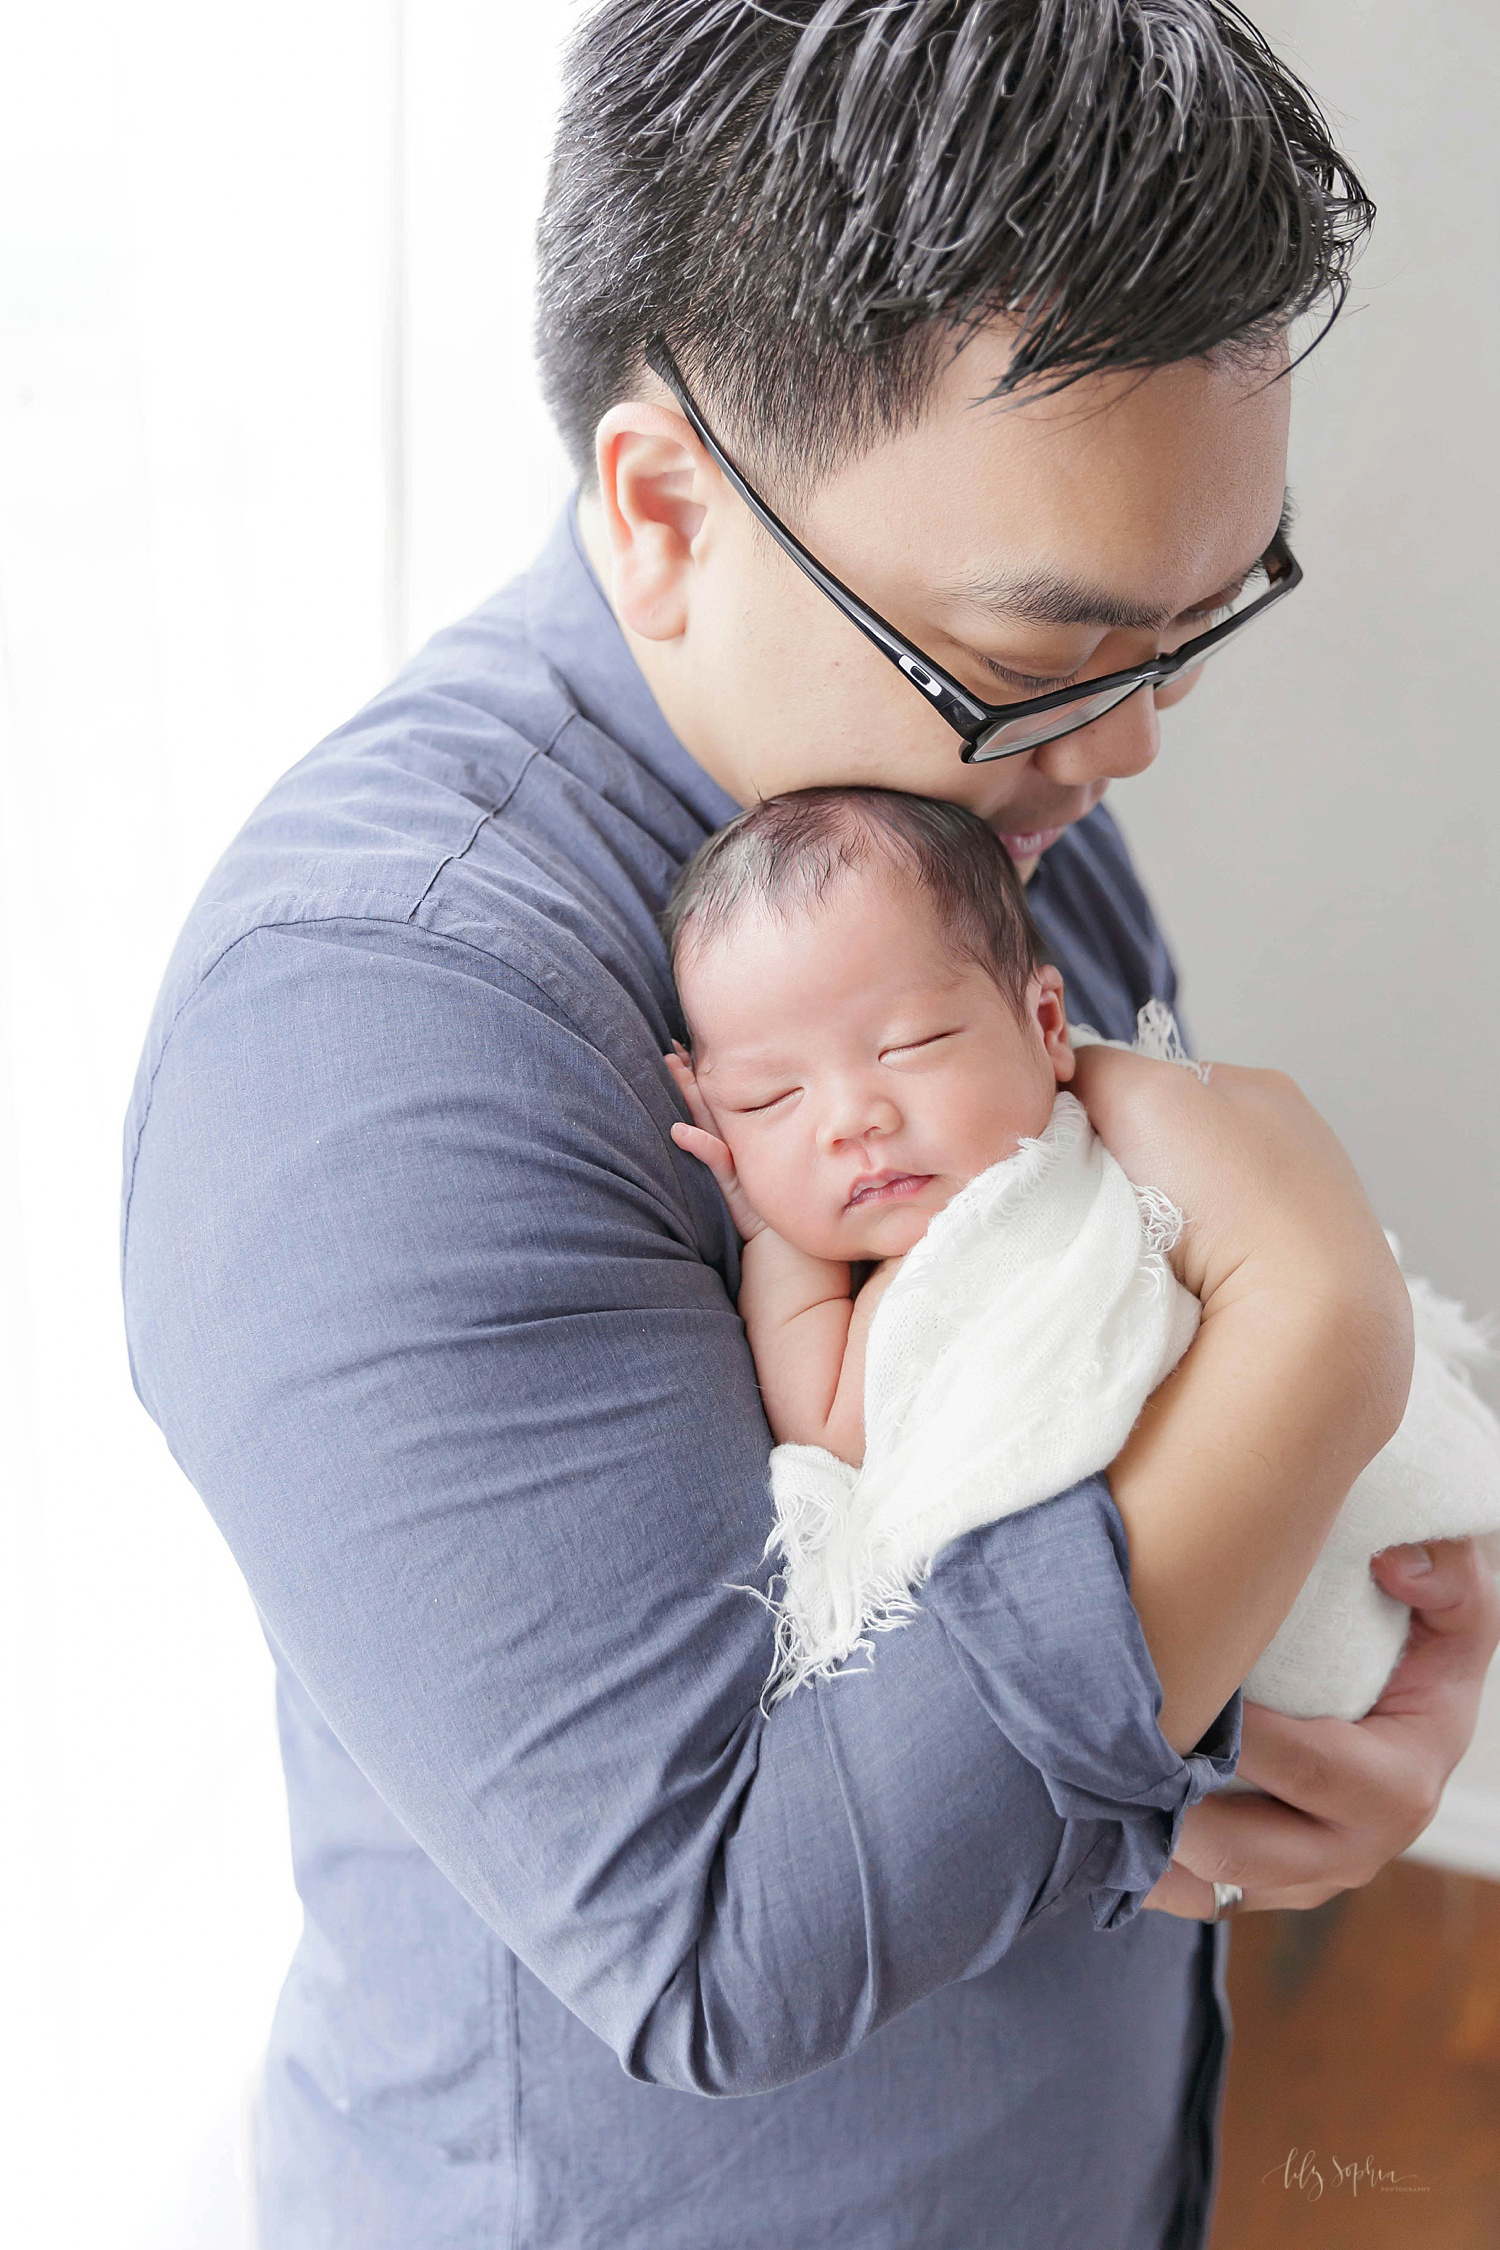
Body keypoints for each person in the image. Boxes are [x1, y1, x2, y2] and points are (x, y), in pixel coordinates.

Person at [120, 4, 1499, 2245]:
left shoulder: (972, 792)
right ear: (665, 511)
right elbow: (718, 1926)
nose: (1131, 749)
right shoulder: (367, 1034)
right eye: (1049, 650)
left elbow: (1046, 1438)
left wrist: (1313, 1723)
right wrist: (1316, 1335)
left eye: (1198, 627)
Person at [662, 785, 1500, 1719]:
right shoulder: (900, 1295)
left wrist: (779, 1232)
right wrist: (775, 1226)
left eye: (913, 1044)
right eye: (770, 1101)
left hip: (1300, 1559)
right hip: (1157, 1671)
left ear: (1048, 1026)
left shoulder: (1118, 1155)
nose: (854, 1119)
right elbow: (834, 1435)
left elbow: (826, 1430)